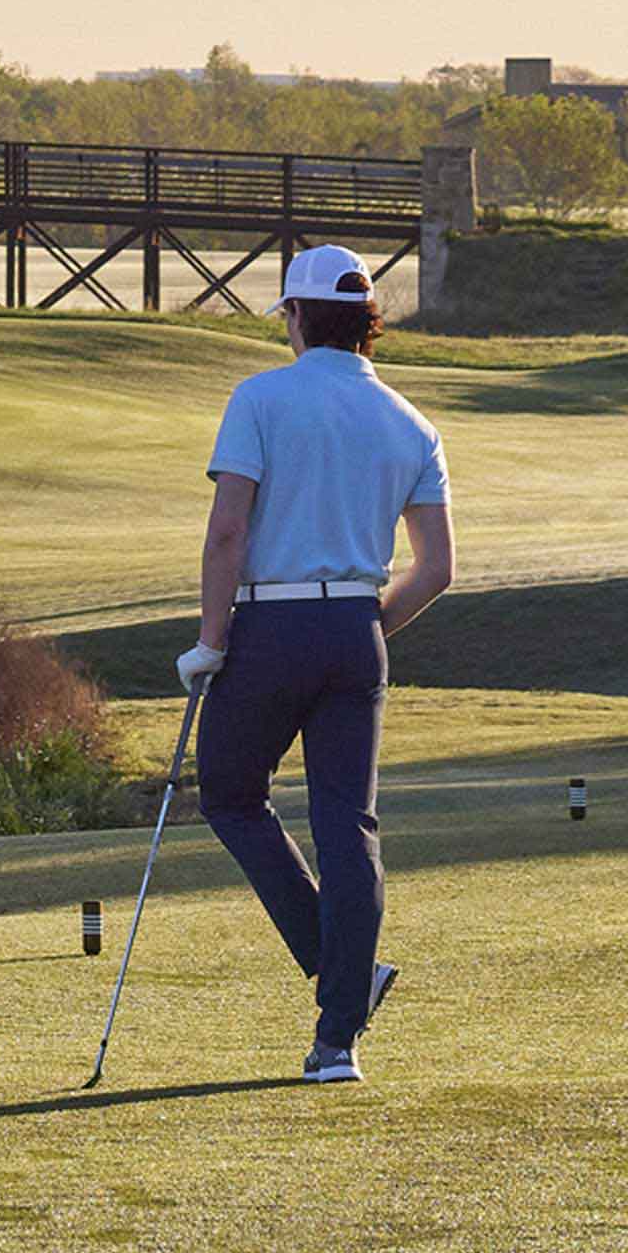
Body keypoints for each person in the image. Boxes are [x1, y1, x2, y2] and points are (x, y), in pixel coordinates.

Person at [174, 247, 454, 1084]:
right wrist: (364, 630)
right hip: (354, 632)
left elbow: (228, 532)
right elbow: (437, 569)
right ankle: (339, 1038)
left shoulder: (260, 397)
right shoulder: (411, 420)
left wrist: (211, 643)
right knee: (347, 826)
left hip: (266, 630)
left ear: (296, 317)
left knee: (229, 793)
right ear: (365, 320)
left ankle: (343, 972)